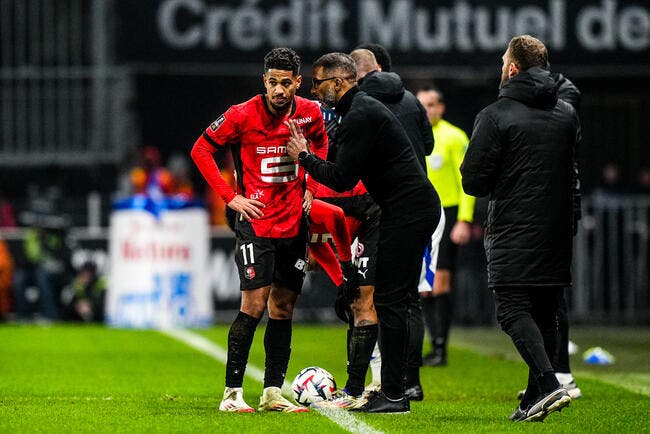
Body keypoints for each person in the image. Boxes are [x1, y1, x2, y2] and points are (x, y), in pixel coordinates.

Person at [286, 52, 441, 414]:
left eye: (318, 82)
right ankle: (393, 390)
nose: (314, 89)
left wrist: (304, 157)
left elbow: (342, 178)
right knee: (393, 300)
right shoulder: (359, 111)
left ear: (339, 83)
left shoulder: (359, 114)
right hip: (405, 209)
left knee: (392, 301)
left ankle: (394, 393)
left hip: (409, 211)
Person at [190, 47, 328, 413]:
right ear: (263, 80)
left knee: (283, 307)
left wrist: (312, 189)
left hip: (294, 224)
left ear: (298, 82)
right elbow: (201, 149)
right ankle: (232, 394)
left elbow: (322, 144)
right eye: (272, 82)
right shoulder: (241, 115)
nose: (279, 90)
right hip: (256, 222)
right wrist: (231, 196)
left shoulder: (311, 113)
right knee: (253, 303)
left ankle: (271, 393)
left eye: (286, 83)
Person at [460, 35, 580, 422]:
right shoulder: (566, 113)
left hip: (514, 227)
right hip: (558, 228)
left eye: (502, 62)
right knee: (546, 312)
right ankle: (533, 397)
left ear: (513, 68)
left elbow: (474, 181)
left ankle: (547, 383)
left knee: (512, 310)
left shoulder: (495, 115)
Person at [350, 47, 437, 400]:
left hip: (377, 202)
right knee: (408, 300)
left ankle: (372, 384)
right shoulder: (413, 101)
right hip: (418, 199)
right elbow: (427, 146)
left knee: (365, 295)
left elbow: (347, 164)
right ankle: (409, 382)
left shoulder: (358, 106)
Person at [416, 85, 475, 367]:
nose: (427, 110)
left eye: (431, 105)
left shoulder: (454, 137)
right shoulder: (413, 134)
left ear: (441, 107)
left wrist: (464, 219)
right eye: (422, 105)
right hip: (421, 215)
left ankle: (441, 348)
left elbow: (468, 183)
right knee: (423, 286)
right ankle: (433, 344)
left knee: (440, 282)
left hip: (448, 213)